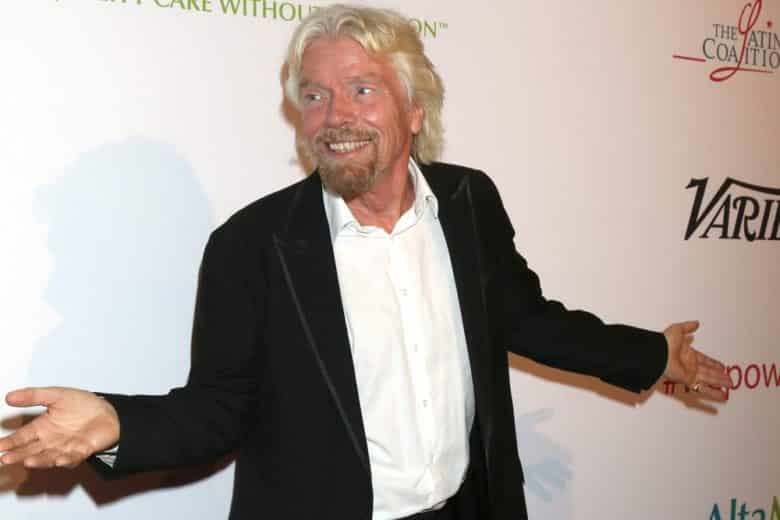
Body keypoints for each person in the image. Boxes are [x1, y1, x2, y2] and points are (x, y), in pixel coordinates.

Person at [0, 5, 731, 520]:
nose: (335, 115)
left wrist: (650, 354)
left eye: (362, 89)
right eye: (315, 96)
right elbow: (220, 408)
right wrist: (119, 423)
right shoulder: (251, 245)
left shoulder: (468, 203)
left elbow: (526, 318)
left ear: (415, 109)